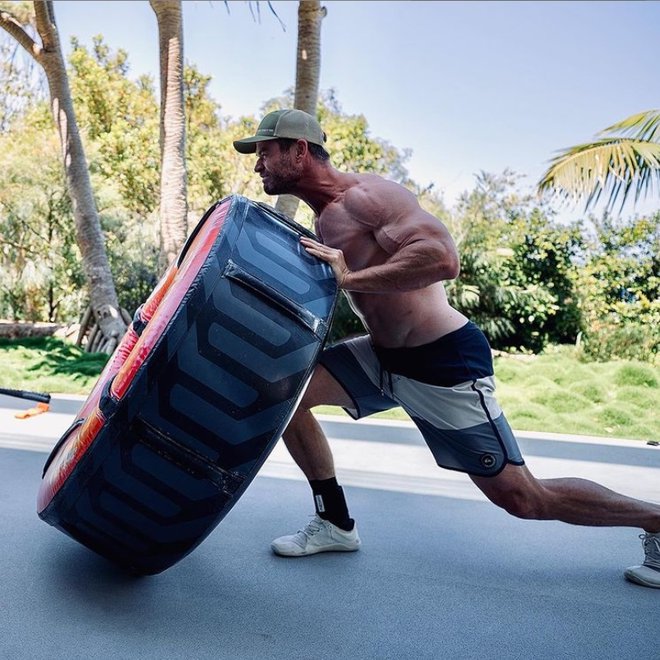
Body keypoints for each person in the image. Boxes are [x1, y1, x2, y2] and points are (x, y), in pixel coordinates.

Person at [233, 108, 660, 589]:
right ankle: (335, 522)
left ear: (299, 150)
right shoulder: (324, 217)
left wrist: (351, 276)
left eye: (265, 153)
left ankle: (656, 519)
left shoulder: (367, 197)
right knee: (285, 393)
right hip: (382, 355)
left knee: (522, 498)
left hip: (441, 359)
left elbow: (441, 258)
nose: (258, 166)